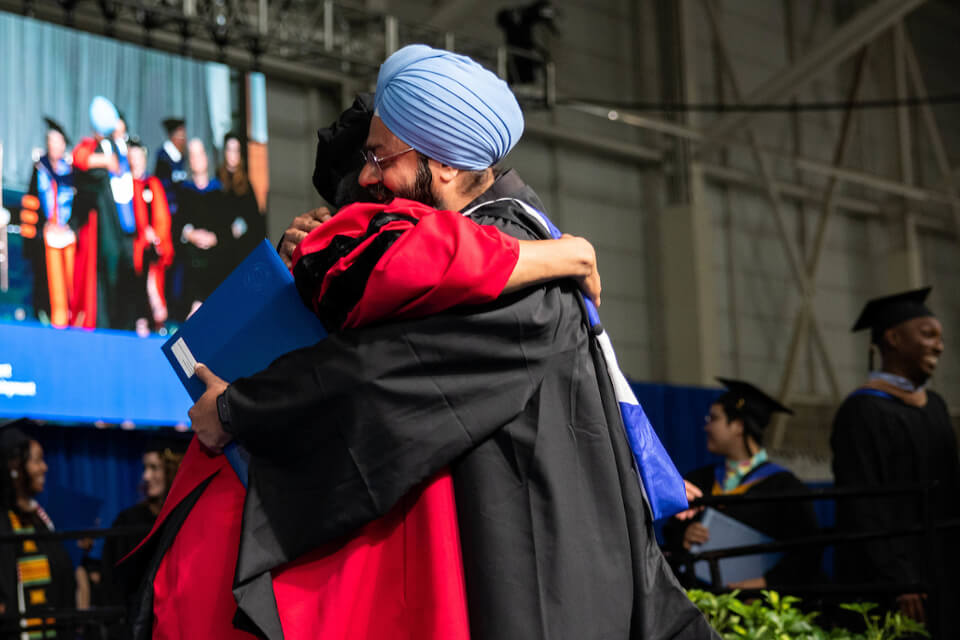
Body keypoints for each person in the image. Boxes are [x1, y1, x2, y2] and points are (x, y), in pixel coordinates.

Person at [188, 45, 714, 639]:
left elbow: (384, 374)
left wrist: (240, 410)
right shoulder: (517, 251)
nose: (366, 178)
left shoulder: (512, 263)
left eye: (379, 158)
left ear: (439, 166)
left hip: (535, 577)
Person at [831, 287, 959, 635]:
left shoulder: (934, 406)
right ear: (893, 338)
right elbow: (863, 504)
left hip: (943, 570)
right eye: (928, 334)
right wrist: (899, 576)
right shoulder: (862, 410)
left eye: (940, 337)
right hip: (895, 582)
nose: (939, 346)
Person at [662, 379, 822, 589]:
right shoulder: (698, 481)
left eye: (714, 418)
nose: (706, 426)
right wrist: (684, 536)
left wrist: (764, 584)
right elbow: (670, 534)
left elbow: (807, 553)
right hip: (701, 601)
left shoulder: (785, 488)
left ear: (738, 426)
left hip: (758, 606)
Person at [101, 438, 185, 639]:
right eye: (145, 467)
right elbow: (112, 583)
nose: (146, 476)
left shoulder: (184, 518)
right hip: (136, 625)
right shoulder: (128, 521)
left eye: (154, 468)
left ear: (172, 469)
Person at [0, 419, 75, 638]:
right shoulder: (4, 522)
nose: (45, 467)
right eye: (37, 461)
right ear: (14, 467)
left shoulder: (40, 519)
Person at [69, 96, 130, 330]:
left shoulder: (123, 148)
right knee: (101, 282)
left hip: (123, 227)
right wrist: (106, 160)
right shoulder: (93, 147)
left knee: (122, 282)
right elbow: (79, 158)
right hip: (102, 226)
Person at [21, 117, 76, 327]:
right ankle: (48, 317)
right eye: (51, 142)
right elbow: (32, 200)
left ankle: (69, 319)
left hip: (68, 234)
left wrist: (71, 224)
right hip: (45, 235)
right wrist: (40, 227)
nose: (55, 146)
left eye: (58, 142)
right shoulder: (39, 169)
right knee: (46, 280)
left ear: (64, 144)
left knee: (70, 279)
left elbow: (78, 202)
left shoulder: (71, 171)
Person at [173, 139, 227, 319]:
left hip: (215, 264)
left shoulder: (219, 193)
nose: (196, 159)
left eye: (200, 154)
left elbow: (227, 230)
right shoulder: (183, 192)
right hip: (191, 265)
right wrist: (190, 234)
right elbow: (177, 226)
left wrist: (214, 238)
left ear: (207, 158)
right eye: (192, 155)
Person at [129, 140, 174, 333]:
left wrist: (156, 237)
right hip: (135, 248)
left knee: (154, 283)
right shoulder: (125, 185)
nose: (136, 162)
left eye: (139, 158)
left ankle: (156, 319)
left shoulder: (153, 184)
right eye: (133, 158)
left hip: (153, 248)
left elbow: (163, 217)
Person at [217, 132, 265, 262]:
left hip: (242, 247)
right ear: (225, 152)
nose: (233, 155)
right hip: (222, 246)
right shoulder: (217, 179)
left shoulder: (245, 183)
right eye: (230, 150)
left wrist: (244, 224)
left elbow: (254, 217)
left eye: (236, 151)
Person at [153, 118, 187, 215]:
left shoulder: (183, 156)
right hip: (168, 207)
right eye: (180, 135)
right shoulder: (163, 157)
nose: (183, 139)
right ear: (172, 136)